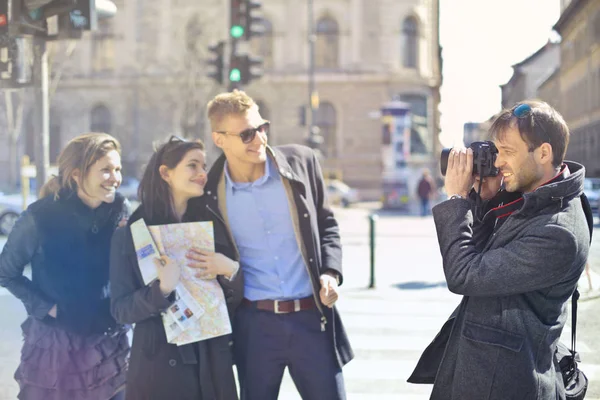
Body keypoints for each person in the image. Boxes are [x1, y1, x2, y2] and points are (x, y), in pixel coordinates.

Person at [408, 100, 592, 399]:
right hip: (483, 370)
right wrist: (484, 199)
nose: (497, 163)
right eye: (497, 152)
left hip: (505, 382)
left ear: (543, 153)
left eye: (507, 152)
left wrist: (456, 199)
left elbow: (465, 274)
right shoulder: (532, 198)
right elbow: (482, 252)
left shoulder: (558, 231)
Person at [189, 90, 353, 400]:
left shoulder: (301, 162)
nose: (258, 139)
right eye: (247, 133)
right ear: (219, 139)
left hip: (311, 319)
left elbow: (327, 223)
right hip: (254, 327)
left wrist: (330, 273)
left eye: (262, 127)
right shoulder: (208, 194)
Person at [109, 136, 243, 400]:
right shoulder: (133, 232)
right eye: (192, 165)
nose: (202, 173)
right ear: (165, 173)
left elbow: (234, 300)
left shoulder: (213, 224)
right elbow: (121, 310)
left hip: (211, 359)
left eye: (204, 166)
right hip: (159, 365)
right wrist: (163, 290)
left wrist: (231, 270)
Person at [0, 133, 130, 400]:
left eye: (117, 169)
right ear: (75, 174)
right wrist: (46, 307)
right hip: (57, 344)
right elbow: (6, 272)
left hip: (108, 340)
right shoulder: (39, 216)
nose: (115, 178)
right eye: (105, 170)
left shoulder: (120, 208)